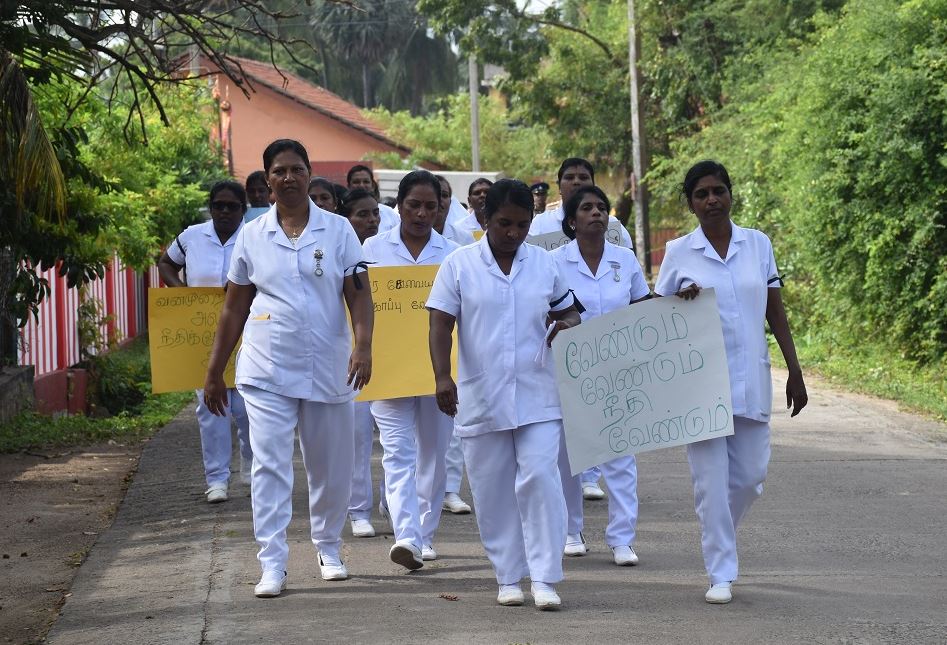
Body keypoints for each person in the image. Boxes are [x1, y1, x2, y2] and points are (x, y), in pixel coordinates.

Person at [203, 139, 374, 598]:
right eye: (279, 171)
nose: (289, 177)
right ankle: (272, 562)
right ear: (266, 181)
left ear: (309, 173)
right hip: (267, 367)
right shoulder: (252, 235)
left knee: (330, 467)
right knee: (271, 466)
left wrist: (363, 346)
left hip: (329, 363)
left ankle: (328, 547)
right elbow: (233, 308)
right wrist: (214, 371)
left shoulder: (338, 231)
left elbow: (358, 293)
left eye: (297, 169)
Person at [654, 160, 808, 604]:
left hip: (750, 377)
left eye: (718, 191)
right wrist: (677, 301)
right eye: (701, 194)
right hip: (700, 385)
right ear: (691, 204)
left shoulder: (757, 244)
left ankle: (719, 532)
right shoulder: (681, 252)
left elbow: (774, 309)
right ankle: (720, 571)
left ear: (730, 194)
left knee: (750, 478)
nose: (711, 200)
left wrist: (794, 370)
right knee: (710, 483)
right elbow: (657, 316)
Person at [428, 179, 581, 610]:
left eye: (522, 224)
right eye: (504, 223)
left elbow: (569, 311)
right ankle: (508, 575)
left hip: (539, 392)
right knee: (492, 488)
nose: (513, 232)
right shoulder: (459, 264)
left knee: (539, 476)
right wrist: (443, 377)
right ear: (483, 219)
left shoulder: (544, 265)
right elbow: (440, 323)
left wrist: (567, 325)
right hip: (481, 394)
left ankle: (546, 577)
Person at [550, 186, 651, 564]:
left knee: (620, 454)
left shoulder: (624, 260)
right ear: (572, 221)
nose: (596, 213)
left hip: (617, 371)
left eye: (601, 207)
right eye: (587, 208)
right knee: (569, 456)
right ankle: (571, 530)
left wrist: (679, 300)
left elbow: (643, 306)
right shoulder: (554, 262)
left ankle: (622, 538)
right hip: (569, 371)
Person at [363, 170, 459, 569]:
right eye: (413, 205)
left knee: (434, 455)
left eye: (430, 207)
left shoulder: (453, 253)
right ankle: (407, 537)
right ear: (398, 206)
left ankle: (425, 532)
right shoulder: (372, 248)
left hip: (439, 371)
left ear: (441, 209)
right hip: (387, 369)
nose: (421, 213)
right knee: (397, 453)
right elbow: (357, 305)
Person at [157, 180, 254, 504]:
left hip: (248, 334)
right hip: (202, 337)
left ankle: (252, 468)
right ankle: (216, 479)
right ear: (210, 207)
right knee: (211, 407)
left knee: (248, 407)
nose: (224, 211)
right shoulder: (191, 237)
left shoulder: (255, 236)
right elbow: (166, 263)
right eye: (218, 205)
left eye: (232, 206)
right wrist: (184, 296)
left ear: (243, 209)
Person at [337, 188, 383, 539]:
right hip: (348, 356)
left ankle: (395, 503)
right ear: (345, 218)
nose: (370, 221)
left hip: (395, 356)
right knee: (357, 435)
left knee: (400, 441)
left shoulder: (387, 250)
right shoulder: (336, 248)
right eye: (362, 215)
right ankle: (358, 510)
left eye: (374, 214)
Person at [430, 175, 473, 515]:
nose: (440, 202)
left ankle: (450, 489)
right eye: (434, 196)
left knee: (451, 425)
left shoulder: (459, 243)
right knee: (405, 438)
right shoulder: (380, 246)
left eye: (444, 196)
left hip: (451, 337)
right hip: (403, 341)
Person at [529, 158, 633, 249]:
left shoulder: (613, 227)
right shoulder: (539, 225)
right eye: (569, 177)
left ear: (593, 186)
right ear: (559, 188)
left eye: (583, 177)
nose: (576, 182)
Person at [347, 164, 399, 232]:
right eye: (356, 182)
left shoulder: (389, 213)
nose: (361, 185)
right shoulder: (342, 214)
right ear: (348, 186)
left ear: (373, 186)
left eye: (366, 182)